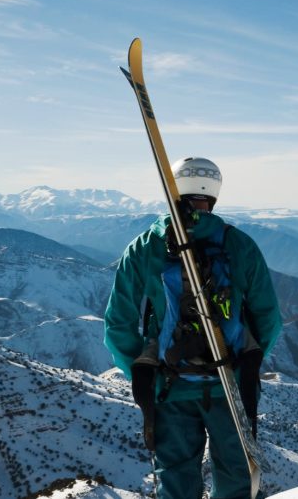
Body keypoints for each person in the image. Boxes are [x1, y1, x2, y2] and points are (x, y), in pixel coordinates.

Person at [104, 157, 282, 499]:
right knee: (237, 479)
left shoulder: (144, 247)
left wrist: (145, 373)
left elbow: (118, 324)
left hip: (170, 386)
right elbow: (268, 318)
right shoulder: (238, 244)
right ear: (213, 194)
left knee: (176, 480)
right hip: (230, 387)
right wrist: (246, 365)